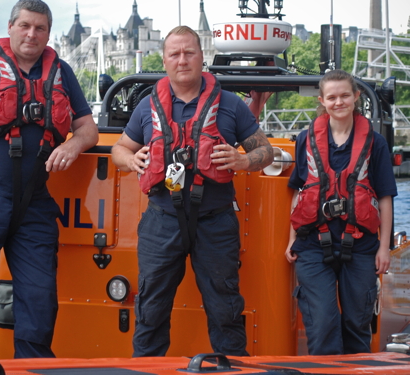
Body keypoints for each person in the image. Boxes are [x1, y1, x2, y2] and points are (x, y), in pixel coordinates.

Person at [0, 0, 98, 359]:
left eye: (40, 28)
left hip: (34, 206)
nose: (32, 34)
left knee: (40, 298)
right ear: (10, 27)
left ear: (48, 33)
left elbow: (87, 130)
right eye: (25, 26)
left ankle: (33, 369)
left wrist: (73, 147)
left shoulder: (61, 72)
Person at [111, 25, 273, 357]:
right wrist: (131, 158)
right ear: (165, 59)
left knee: (226, 311)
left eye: (189, 52)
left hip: (215, 223)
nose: (182, 60)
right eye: (175, 53)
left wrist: (243, 161)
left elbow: (266, 152)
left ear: (202, 57)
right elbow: (118, 150)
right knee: (150, 311)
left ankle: (233, 368)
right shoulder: (146, 107)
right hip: (161, 221)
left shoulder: (229, 105)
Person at [285, 69, 397, 355]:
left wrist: (384, 248)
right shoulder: (305, 140)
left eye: (345, 95)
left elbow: (385, 197)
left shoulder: (376, 143)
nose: (339, 102)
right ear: (322, 100)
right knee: (322, 323)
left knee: (357, 324)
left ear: (356, 97)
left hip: (361, 245)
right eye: (332, 97)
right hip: (312, 244)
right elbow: (299, 192)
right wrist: (291, 239)